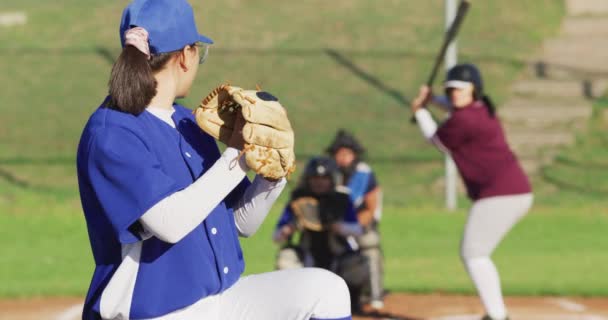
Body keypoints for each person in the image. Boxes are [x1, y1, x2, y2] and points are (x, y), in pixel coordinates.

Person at [76, 1, 352, 319]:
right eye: (198, 52)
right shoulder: (113, 132)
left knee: (325, 290)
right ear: (185, 55)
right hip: (154, 312)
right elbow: (168, 223)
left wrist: (270, 174)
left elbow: (239, 222)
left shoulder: (186, 123)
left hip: (218, 300)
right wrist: (237, 156)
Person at [411, 63, 533, 320]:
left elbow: (438, 141)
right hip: (511, 191)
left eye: (460, 89)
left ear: (474, 90)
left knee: (474, 253)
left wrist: (420, 111)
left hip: (500, 194)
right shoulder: (481, 109)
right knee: (476, 252)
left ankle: (497, 315)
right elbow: (454, 109)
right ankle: (496, 313)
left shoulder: (465, 119)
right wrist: (433, 100)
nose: (455, 94)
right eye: (451, 89)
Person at [273, 156, 369, 313]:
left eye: (324, 178)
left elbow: (357, 229)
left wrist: (338, 227)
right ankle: (295, 303)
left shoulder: (341, 199)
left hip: (337, 256)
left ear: (332, 179)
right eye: (315, 177)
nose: (319, 182)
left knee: (358, 263)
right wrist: (290, 228)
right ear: (308, 179)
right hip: (308, 255)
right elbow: (276, 236)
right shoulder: (299, 198)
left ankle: (353, 300)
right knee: (286, 258)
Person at [326, 130, 385, 311]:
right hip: (331, 226)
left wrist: (350, 227)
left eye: (347, 154)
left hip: (360, 224)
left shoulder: (363, 173)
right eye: (339, 154)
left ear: (355, 155)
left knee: (370, 245)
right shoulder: (329, 172)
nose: (343, 158)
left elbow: (370, 208)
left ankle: (375, 296)